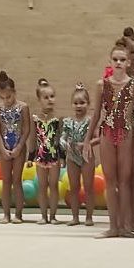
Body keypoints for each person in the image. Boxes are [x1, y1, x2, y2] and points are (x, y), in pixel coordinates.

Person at [84, 44, 134, 238]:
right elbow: (96, 114)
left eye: (122, 60)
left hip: (126, 134)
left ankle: (125, 226)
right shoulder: (101, 85)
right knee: (110, 180)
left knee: (125, 180)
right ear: (110, 62)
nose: (119, 63)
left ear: (128, 62)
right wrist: (88, 140)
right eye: (115, 60)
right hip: (107, 134)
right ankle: (113, 226)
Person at [0, 71, 30, 225]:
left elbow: (26, 129)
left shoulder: (23, 107)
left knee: (17, 180)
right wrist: (1, 147)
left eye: (9, 97)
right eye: (3, 97)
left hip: (19, 147)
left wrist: (20, 146)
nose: (6, 100)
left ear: (14, 92)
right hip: (4, 147)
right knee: (6, 181)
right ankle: (6, 214)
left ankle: (18, 214)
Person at [61, 84, 95, 227]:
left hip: (87, 156)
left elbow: (99, 138)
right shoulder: (68, 122)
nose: (79, 106)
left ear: (88, 104)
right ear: (72, 104)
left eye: (82, 103)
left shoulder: (91, 121)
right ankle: (75, 217)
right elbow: (63, 137)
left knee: (88, 187)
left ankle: (89, 216)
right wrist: (64, 143)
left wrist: (87, 144)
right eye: (76, 103)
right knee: (74, 187)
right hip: (72, 156)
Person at [31, 78, 62, 224]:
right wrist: (30, 157)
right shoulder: (36, 119)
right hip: (40, 156)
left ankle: (53, 216)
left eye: (52, 96)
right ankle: (43, 215)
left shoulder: (58, 119)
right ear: (39, 99)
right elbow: (32, 139)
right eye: (46, 97)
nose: (50, 100)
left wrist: (62, 157)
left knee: (54, 185)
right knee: (42, 185)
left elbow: (59, 140)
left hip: (54, 156)